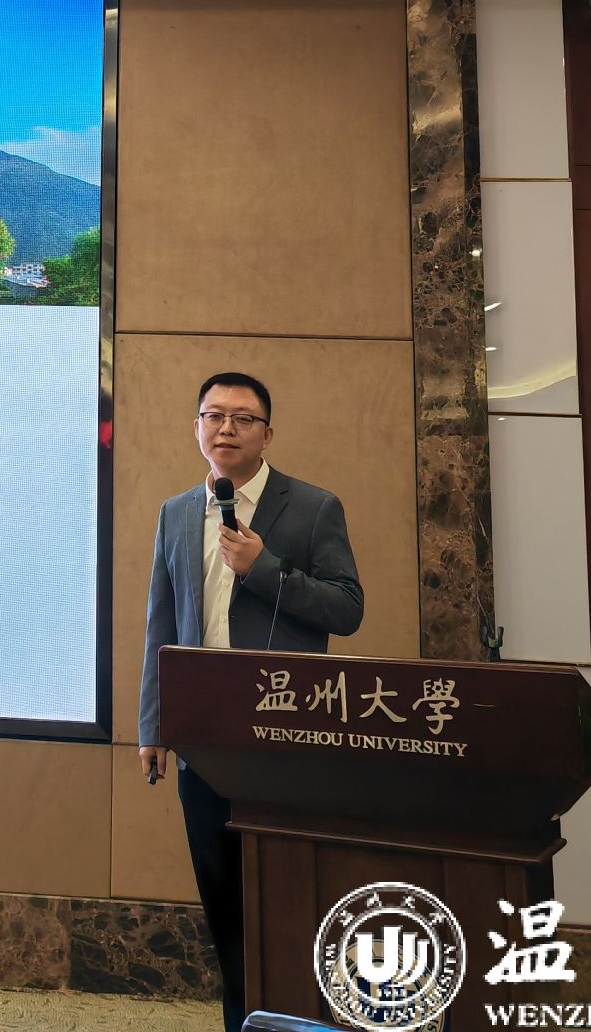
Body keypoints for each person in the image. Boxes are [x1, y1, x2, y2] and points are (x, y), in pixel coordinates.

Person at [138, 371, 364, 1029]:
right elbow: (161, 625)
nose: (226, 428)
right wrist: (154, 725)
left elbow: (347, 609)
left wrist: (263, 569)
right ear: (197, 428)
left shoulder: (313, 507)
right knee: (223, 902)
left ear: (268, 433)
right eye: (214, 416)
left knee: (286, 902)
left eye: (242, 418)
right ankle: (243, 1019)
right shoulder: (177, 512)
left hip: (283, 741)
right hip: (203, 741)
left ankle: (293, 1016)